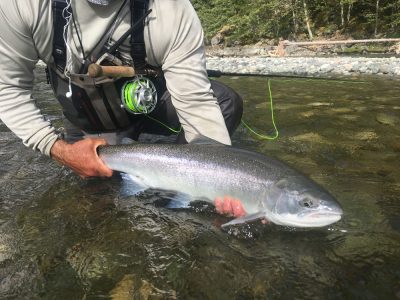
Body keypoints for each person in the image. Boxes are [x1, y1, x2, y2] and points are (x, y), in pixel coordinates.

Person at [0, 0, 245, 216]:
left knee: (226, 101)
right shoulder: (23, 6)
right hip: (86, 118)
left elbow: (197, 103)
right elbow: (8, 90)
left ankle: (175, 189)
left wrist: (225, 184)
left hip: (145, 106)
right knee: (96, 205)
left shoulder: (172, 9)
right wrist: (60, 150)